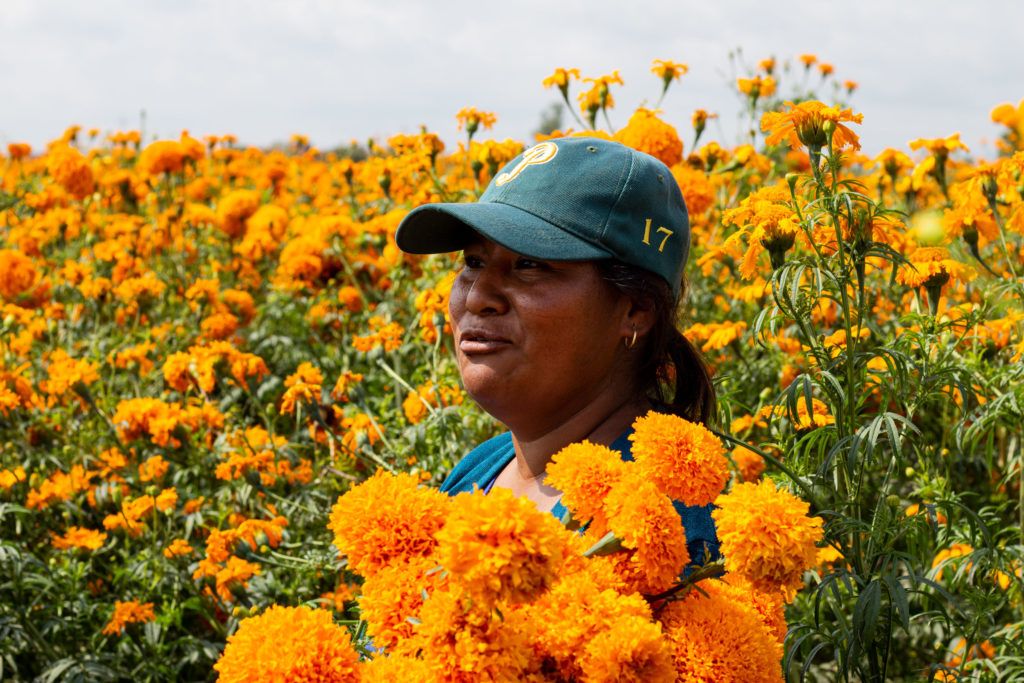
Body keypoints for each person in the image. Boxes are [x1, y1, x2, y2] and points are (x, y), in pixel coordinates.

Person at [395, 136, 719, 565]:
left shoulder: (657, 529)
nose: (477, 297)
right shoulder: (485, 467)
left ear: (635, 310)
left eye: (529, 264)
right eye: (473, 262)